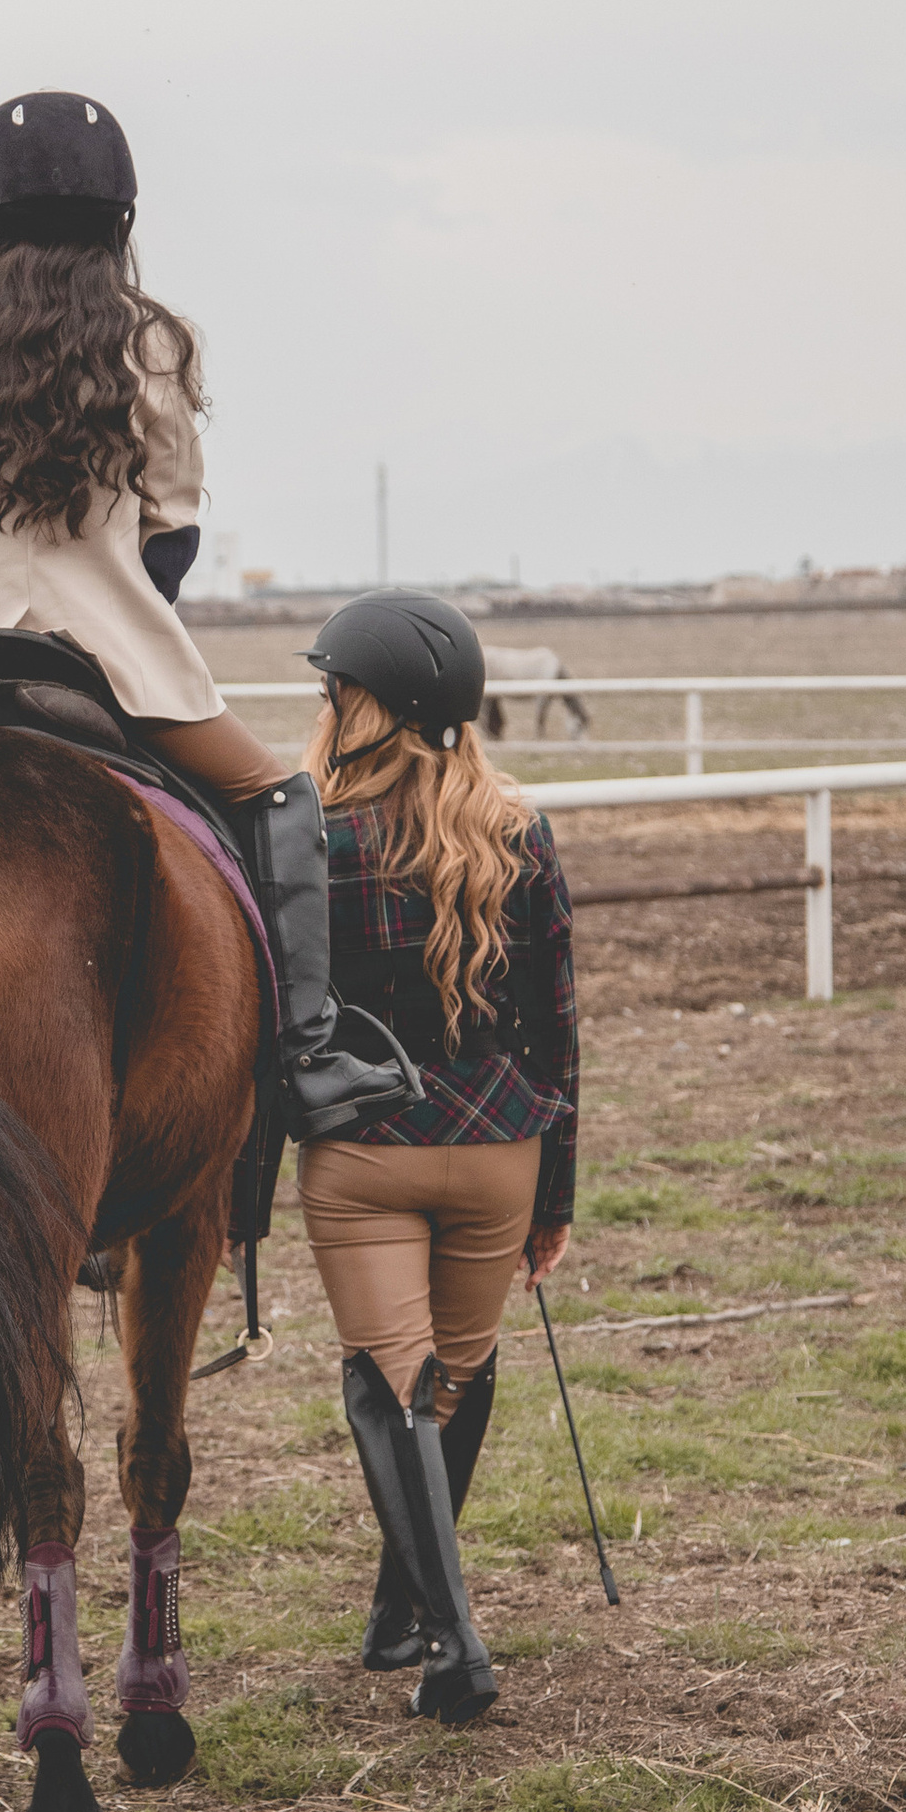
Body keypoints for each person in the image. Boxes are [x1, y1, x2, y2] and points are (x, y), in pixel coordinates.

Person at [0, 90, 412, 1142]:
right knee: (279, 794)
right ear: (119, 215)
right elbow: (172, 535)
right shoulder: (153, 344)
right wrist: (106, 615)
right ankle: (307, 1049)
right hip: (112, 663)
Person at [293, 588, 578, 1729]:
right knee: (452, 1380)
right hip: (501, 1144)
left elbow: (276, 1021)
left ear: (366, 708)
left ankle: (455, 1645)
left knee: (388, 1383)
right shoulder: (517, 828)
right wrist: (553, 1192)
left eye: (332, 689)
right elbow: (556, 1030)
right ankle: (398, 1608)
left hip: (365, 1154)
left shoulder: (304, 834)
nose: (321, 704)